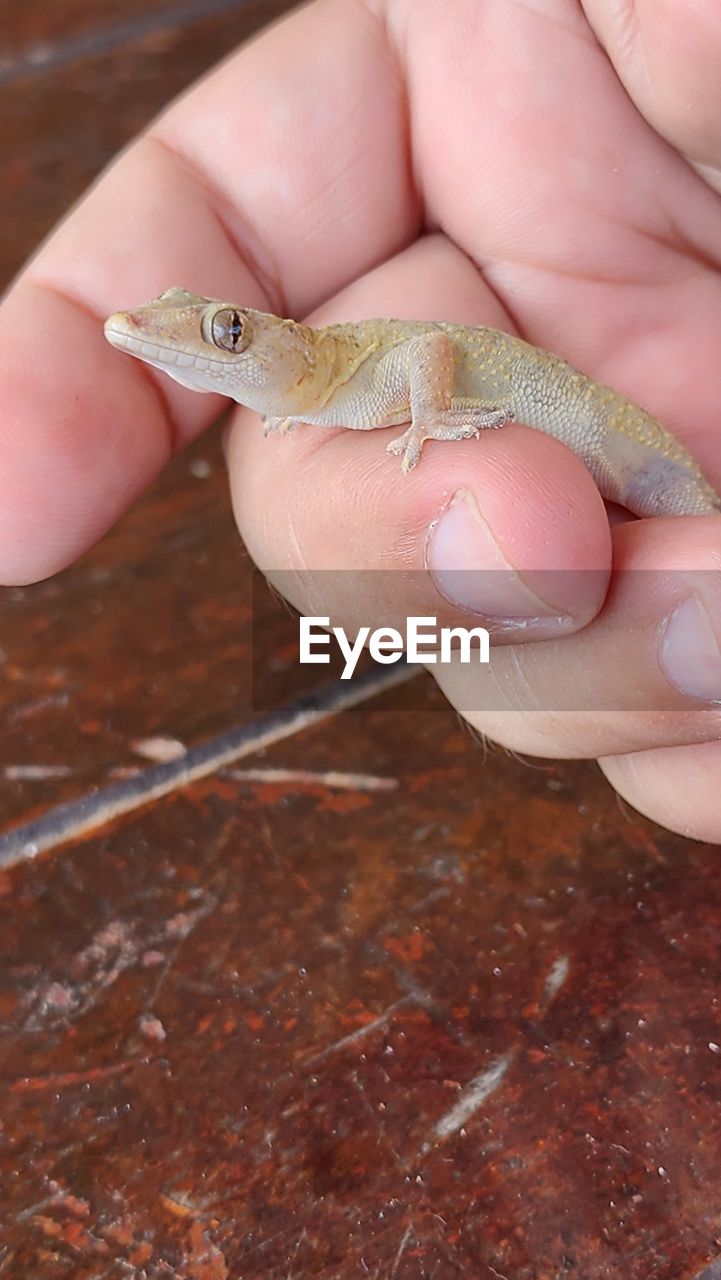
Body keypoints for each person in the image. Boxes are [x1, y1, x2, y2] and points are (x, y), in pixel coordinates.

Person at [2, 0, 721, 840]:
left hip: (626, 447)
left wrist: (426, 420)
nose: (212, 346)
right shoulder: (308, 390)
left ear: (282, 349)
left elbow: (427, 358)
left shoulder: (355, 386)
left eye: (226, 332)